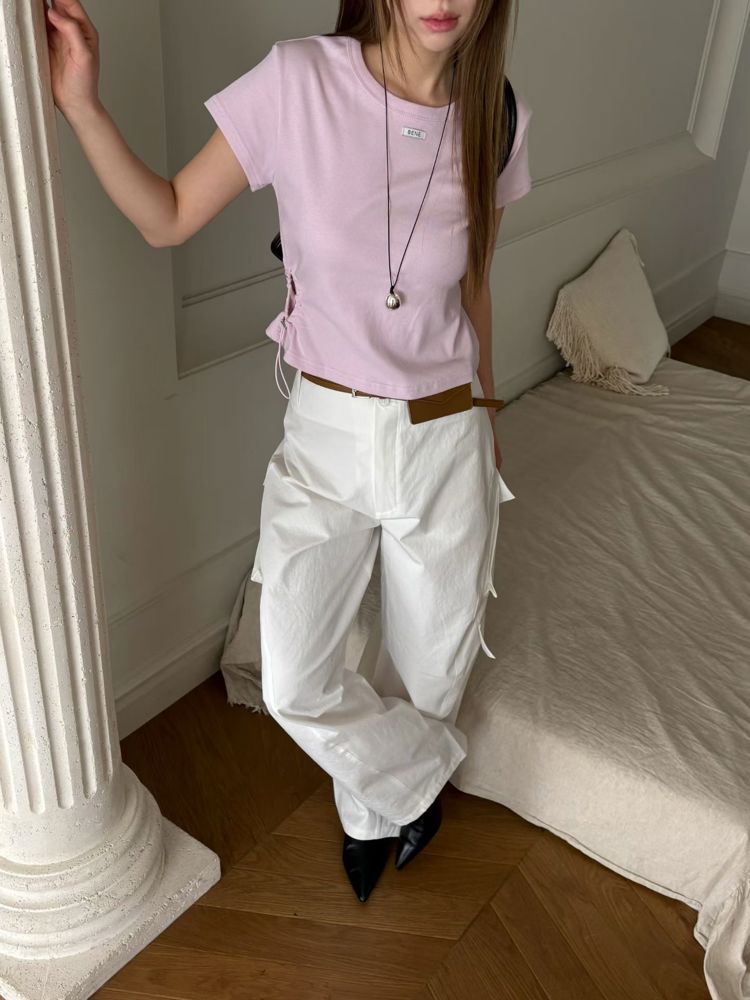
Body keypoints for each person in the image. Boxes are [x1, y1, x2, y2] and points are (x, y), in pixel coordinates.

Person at [45, 0, 532, 903]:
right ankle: (421, 785)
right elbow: (167, 216)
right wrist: (80, 103)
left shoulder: (495, 113)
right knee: (297, 678)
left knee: (428, 671)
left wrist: (488, 416)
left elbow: (474, 289)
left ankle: (372, 817)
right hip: (327, 435)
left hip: (447, 433)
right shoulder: (301, 79)